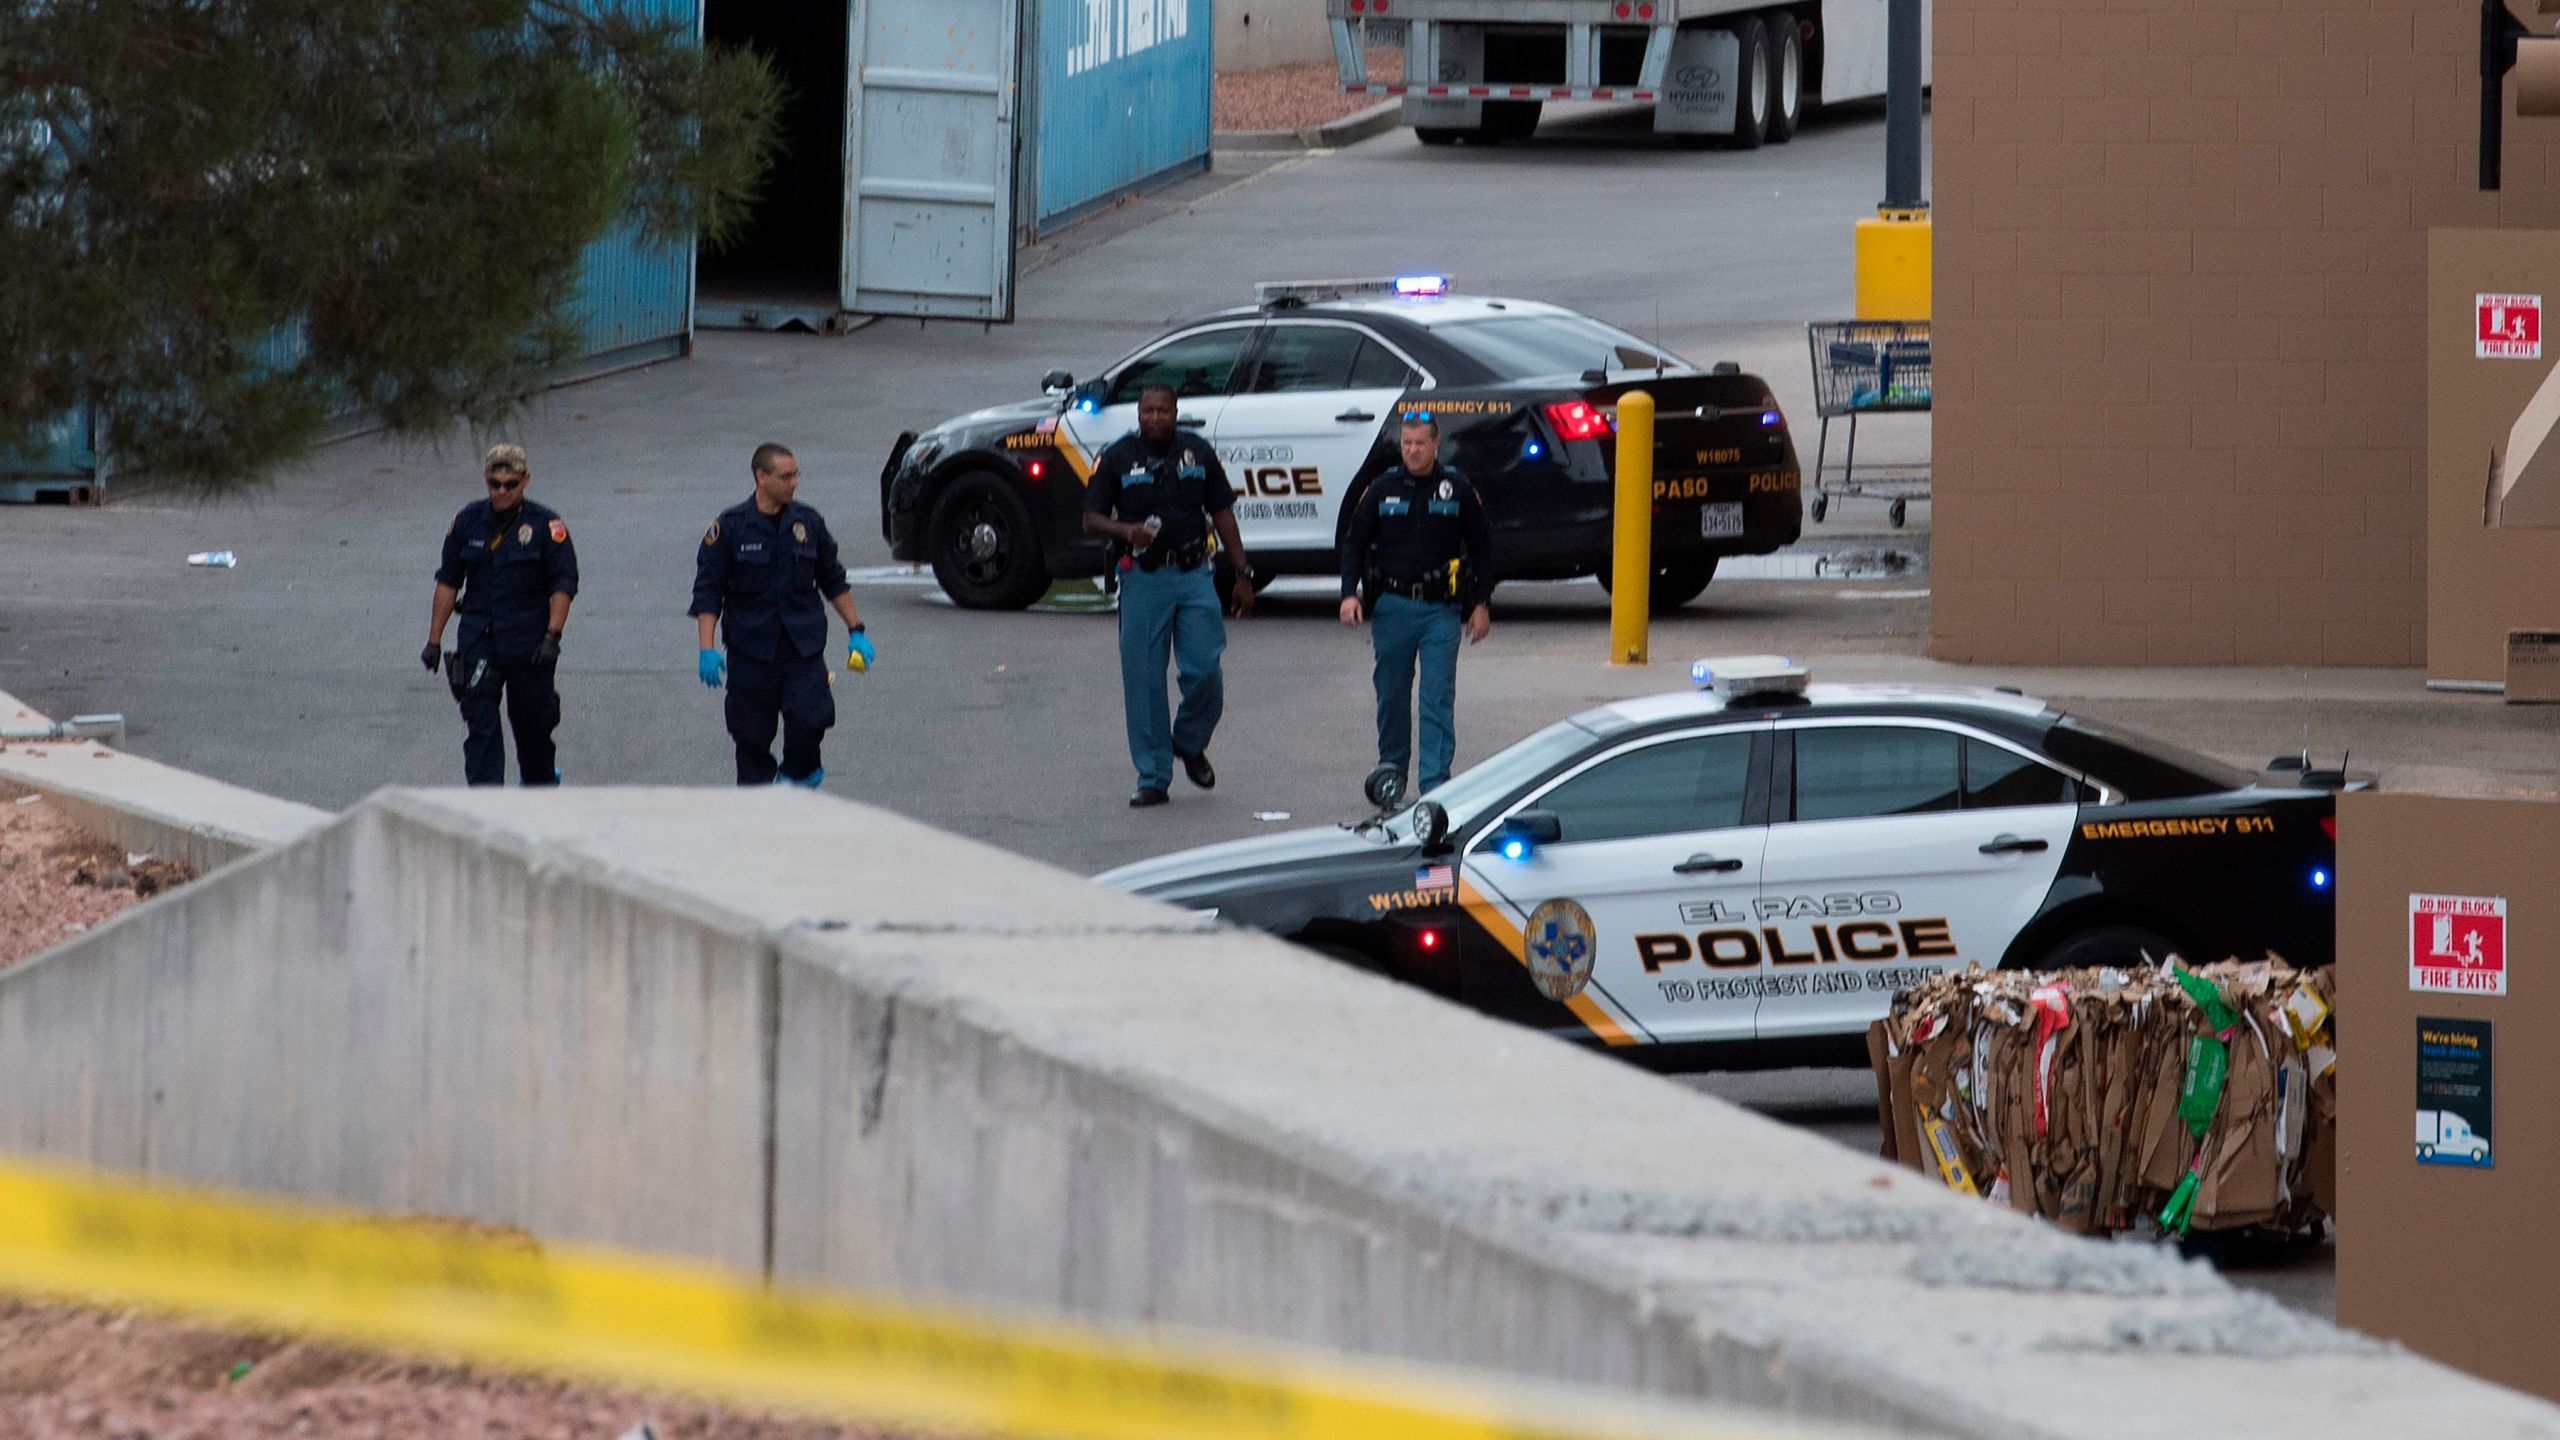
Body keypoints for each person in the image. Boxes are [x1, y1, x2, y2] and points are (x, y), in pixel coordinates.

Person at [1082, 384, 1256, 808]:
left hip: (1195, 573)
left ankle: (1189, 741)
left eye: (1162, 410)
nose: (1155, 417)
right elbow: (1090, 519)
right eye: (1147, 410)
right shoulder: (1118, 456)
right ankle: (1153, 776)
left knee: (1205, 671)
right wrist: (1127, 531)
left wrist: (1242, 572)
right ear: (1138, 414)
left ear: (1176, 412)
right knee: (1143, 683)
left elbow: (1222, 512)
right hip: (1144, 578)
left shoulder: (1196, 452)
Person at [690, 443, 874, 787]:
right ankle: (758, 812)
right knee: (751, 738)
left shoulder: (808, 522)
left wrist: (856, 629)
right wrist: (706, 647)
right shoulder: (730, 528)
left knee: (811, 719)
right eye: (786, 476)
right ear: (761, 477)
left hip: (801, 647)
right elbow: (708, 591)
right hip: (751, 651)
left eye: (796, 474)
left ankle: (797, 775)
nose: (794, 483)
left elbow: (833, 578)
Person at [1338, 411, 1493, 797]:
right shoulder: (1382, 487)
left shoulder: (1456, 488)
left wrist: (1481, 604)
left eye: (1420, 443)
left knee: (1436, 698)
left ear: (1435, 444)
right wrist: (1347, 593)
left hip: (1441, 610)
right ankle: (1391, 776)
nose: (1412, 450)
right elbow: (1354, 542)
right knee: (1391, 696)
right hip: (1392, 606)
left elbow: (1482, 549)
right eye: (1406, 443)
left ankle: (1435, 785)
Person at [422, 443, 577, 786]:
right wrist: (434, 640)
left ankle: (539, 793)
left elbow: (562, 585)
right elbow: (448, 582)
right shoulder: (467, 522)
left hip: (529, 643)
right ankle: (487, 804)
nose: (502, 491)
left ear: (525, 481)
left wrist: (553, 636)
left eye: (511, 484)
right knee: (480, 728)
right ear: (486, 481)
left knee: (533, 729)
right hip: (480, 638)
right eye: (495, 483)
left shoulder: (546, 526)